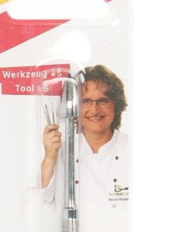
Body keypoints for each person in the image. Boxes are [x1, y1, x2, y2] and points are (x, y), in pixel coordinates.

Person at [41, 65, 129, 208]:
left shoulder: (131, 149)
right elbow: (40, 196)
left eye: (103, 101)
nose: (94, 110)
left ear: (116, 104)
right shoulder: (63, 151)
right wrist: (49, 157)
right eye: (86, 101)